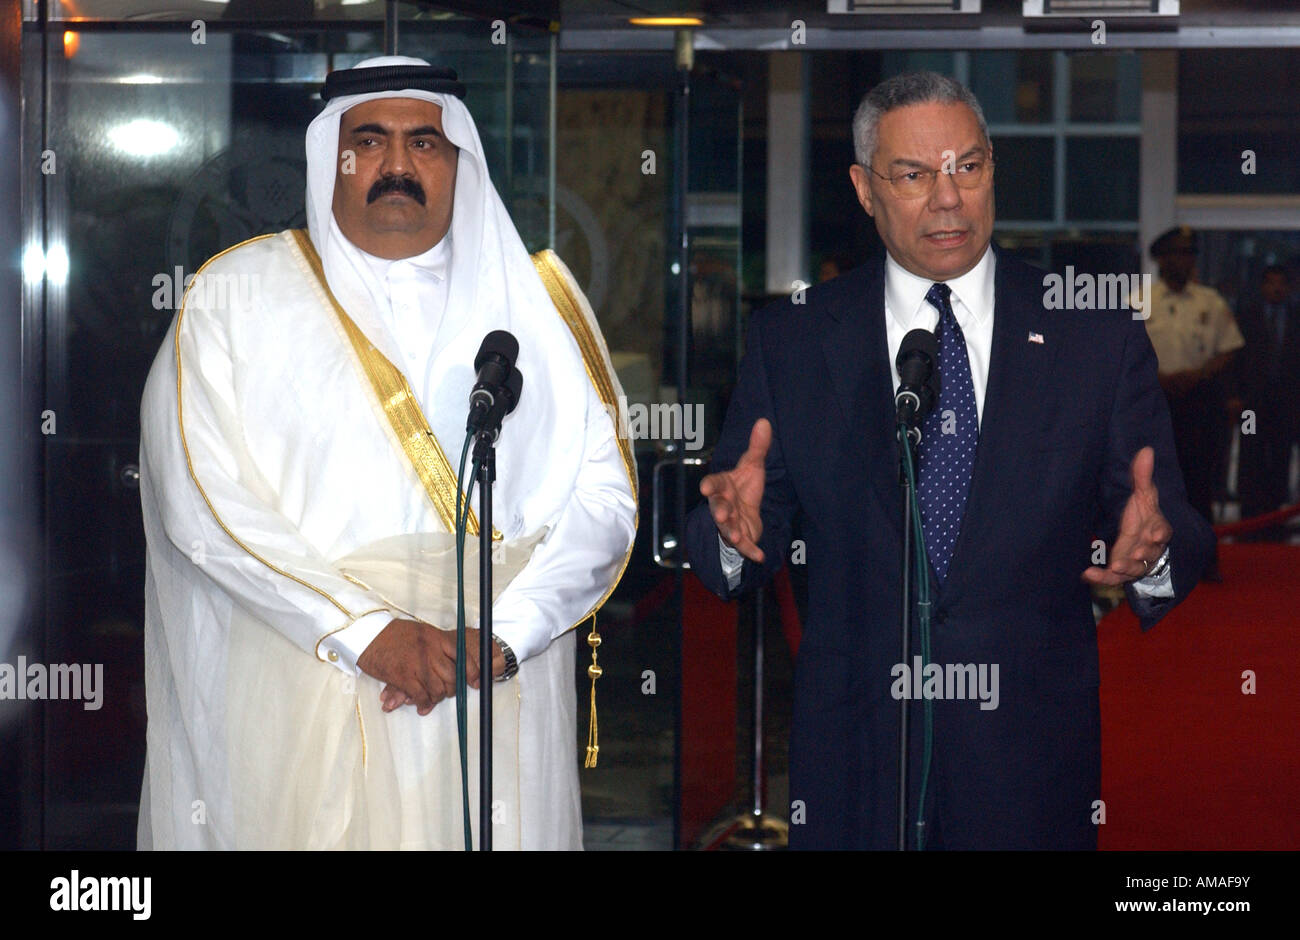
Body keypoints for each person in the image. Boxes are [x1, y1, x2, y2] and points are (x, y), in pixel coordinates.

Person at [685, 71, 1214, 850]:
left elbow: (1174, 523)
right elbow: (732, 531)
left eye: (967, 167)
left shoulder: (1092, 334)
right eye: (912, 175)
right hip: (856, 759)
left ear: (993, 170)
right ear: (865, 190)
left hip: (1028, 760)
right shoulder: (793, 339)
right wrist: (733, 533)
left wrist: (1155, 550)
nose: (947, 198)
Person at [137, 56, 637, 850]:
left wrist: (507, 633)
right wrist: (366, 631)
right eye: (368, 141)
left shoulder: (542, 303)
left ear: (459, 159)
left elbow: (603, 502)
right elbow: (198, 502)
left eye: (424, 143)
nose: (397, 164)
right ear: (329, 157)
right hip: (310, 674)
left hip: (498, 683)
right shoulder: (235, 298)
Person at [1141, 226, 1243, 578]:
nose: (1185, 261)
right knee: (1156, 485)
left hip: (1199, 400)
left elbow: (1229, 349)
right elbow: (1126, 352)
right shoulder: (1139, 301)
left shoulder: (1210, 301)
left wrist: (1198, 374)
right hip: (1155, 400)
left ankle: (1204, 562)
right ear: (1161, 259)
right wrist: (1158, 376)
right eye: (1178, 254)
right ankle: (1158, 565)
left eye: (1189, 254)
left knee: (1199, 482)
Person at [1235, 264, 1300, 519]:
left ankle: (1275, 512)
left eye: (1281, 283)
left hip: (1286, 402)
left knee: (1281, 452)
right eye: (1271, 283)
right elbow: (1236, 359)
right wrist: (1234, 395)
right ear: (1262, 286)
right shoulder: (1246, 316)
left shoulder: (1296, 317)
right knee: (1251, 450)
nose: (1276, 288)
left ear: (1289, 287)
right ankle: (1249, 511)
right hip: (1251, 402)